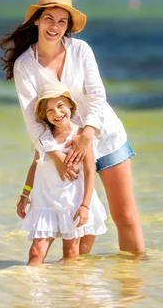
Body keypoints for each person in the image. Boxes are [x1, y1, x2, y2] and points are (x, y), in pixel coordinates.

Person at [0, 0, 145, 255]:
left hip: (105, 136)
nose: (55, 26)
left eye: (62, 21)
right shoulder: (24, 66)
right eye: (49, 18)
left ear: (68, 26)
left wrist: (87, 133)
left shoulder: (81, 50)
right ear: (37, 21)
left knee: (125, 216)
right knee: (77, 227)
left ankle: (133, 288)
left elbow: (97, 95)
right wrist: (55, 156)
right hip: (63, 150)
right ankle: (74, 288)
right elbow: (33, 120)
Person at [17, 82, 107, 264]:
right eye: (49, 110)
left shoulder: (80, 135)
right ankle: (30, 290)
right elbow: (35, 165)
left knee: (70, 254)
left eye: (60, 106)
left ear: (71, 106)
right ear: (44, 115)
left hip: (71, 203)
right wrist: (25, 194)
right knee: (36, 253)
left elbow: (90, 172)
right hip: (46, 202)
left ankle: (66, 291)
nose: (56, 114)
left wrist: (85, 206)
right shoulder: (44, 138)